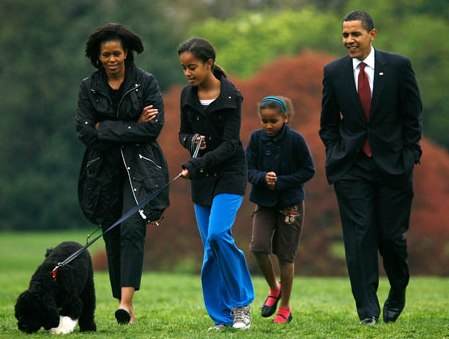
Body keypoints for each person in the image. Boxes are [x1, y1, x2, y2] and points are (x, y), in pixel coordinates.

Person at [319, 10, 422, 325]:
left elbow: (412, 117)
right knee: (358, 237)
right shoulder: (334, 72)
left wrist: (408, 156)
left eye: (355, 34)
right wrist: (336, 153)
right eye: (345, 35)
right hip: (351, 168)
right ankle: (367, 311)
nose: (349, 40)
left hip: (393, 166)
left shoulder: (398, 67)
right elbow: (328, 124)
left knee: (391, 238)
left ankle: (398, 291)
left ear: (372, 35)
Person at [76, 23, 169, 324]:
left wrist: (107, 127)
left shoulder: (146, 82)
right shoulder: (88, 87)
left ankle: (126, 303)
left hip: (140, 168)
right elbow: (85, 132)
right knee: (112, 233)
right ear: (98, 57)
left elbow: (153, 128)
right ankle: (122, 299)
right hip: (102, 171)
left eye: (117, 53)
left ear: (126, 53)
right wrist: (133, 123)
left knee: (132, 227)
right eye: (106, 55)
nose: (112, 59)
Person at [177, 37, 254, 331]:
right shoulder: (187, 95)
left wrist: (196, 163)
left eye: (192, 67)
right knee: (210, 247)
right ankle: (222, 317)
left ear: (209, 63)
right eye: (184, 68)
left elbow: (232, 145)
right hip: (202, 179)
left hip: (230, 176)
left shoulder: (231, 96)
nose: (188, 73)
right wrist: (191, 141)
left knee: (219, 235)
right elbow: (183, 134)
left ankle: (241, 305)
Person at [246, 96, 315, 324]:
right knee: (258, 246)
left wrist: (282, 181)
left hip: (290, 205)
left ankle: (285, 306)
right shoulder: (256, 139)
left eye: (273, 121)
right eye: (264, 120)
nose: (267, 126)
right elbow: (248, 169)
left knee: (286, 256)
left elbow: (308, 170)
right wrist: (262, 178)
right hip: (264, 203)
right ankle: (274, 288)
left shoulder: (296, 140)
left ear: (285, 118)